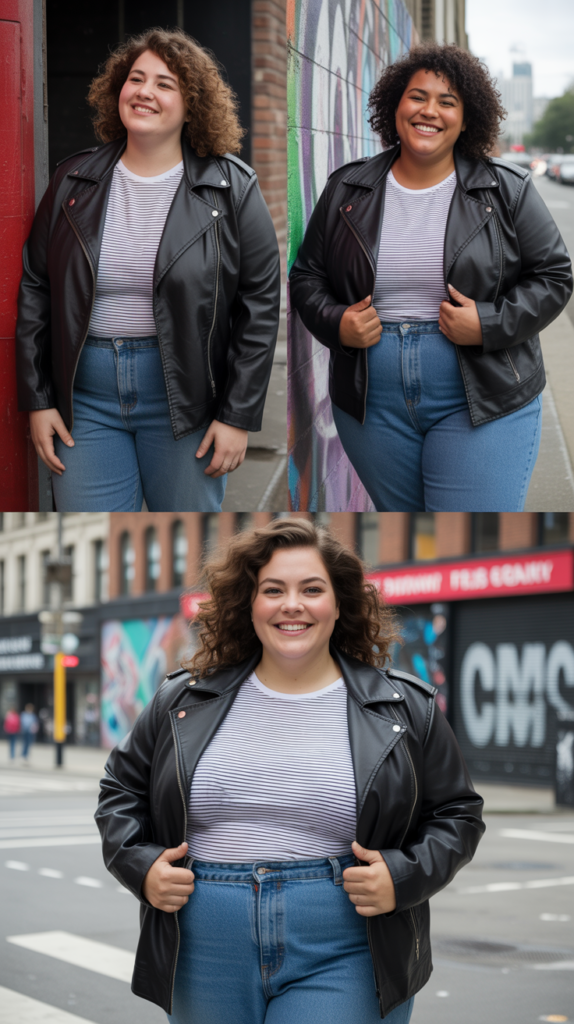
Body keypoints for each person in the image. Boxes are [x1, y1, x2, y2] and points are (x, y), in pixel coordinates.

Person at [95, 518, 484, 1024]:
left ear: (339, 602)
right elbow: (119, 790)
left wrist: (405, 876)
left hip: (346, 940)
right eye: (273, 589)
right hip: (202, 942)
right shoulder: (181, 698)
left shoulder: (406, 705)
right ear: (249, 604)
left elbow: (459, 813)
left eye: (312, 589)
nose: (291, 604)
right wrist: (141, 867)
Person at [289, 44, 573, 512]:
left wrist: (488, 322)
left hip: (483, 390)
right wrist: (336, 322)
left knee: (470, 529)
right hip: (369, 401)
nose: (430, 111)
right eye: (417, 96)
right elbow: (307, 276)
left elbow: (554, 276)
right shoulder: (346, 187)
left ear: (467, 118)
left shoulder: (506, 188)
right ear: (395, 106)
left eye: (448, 101)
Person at [16, 28, 280, 512]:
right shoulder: (73, 178)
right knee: (87, 538)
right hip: (86, 400)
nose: (144, 92)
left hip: (186, 399)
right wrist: (38, 399)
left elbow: (259, 304)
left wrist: (237, 414)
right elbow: (36, 287)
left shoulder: (232, 186)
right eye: (136, 78)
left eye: (165, 84)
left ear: (191, 103)